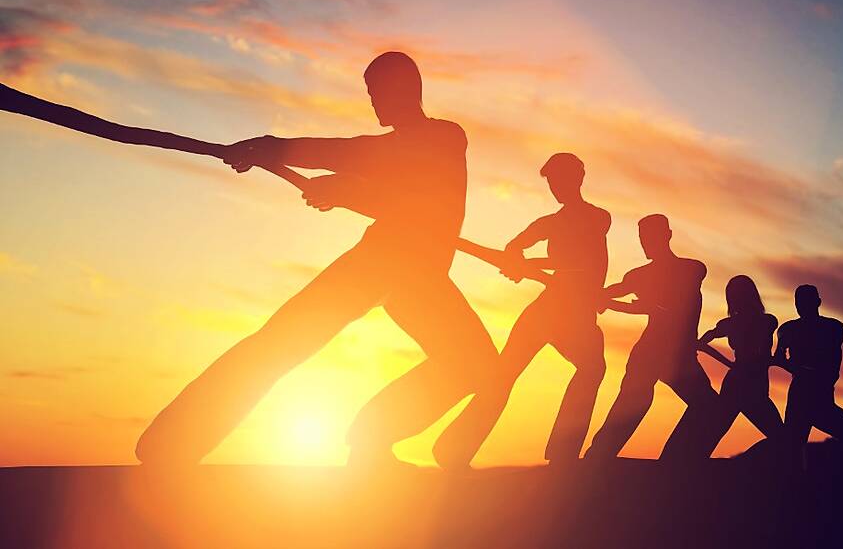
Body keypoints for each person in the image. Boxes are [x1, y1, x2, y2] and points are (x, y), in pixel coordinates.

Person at [134, 52, 498, 470]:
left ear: (406, 90)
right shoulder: (398, 147)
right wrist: (273, 150)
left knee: (475, 367)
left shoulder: (444, 137)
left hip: (417, 276)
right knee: (283, 341)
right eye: (370, 94)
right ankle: (170, 444)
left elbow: (395, 179)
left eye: (377, 92)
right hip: (384, 262)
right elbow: (356, 158)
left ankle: (372, 440)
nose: (374, 103)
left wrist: (333, 182)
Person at [434, 153, 610, 467]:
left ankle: (561, 451)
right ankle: (452, 450)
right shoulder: (548, 223)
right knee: (506, 374)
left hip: (575, 311)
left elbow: (582, 262)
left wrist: (531, 264)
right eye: (552, 183)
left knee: (591, 368)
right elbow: (514, 247)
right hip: (553, 307)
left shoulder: (598, 217)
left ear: (579, 179)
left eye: (561, 180)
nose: (556, 188)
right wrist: (515, 261)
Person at [585, 214, 720, 460]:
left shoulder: (692, 268)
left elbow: (675, 302)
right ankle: (597, 458)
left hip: (680, 356)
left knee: (709, 407)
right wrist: (598, 297)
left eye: (651, 238)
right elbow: (611, 293)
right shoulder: (638, 276)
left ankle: (674, 457)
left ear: (667, 235)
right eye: (642, 239)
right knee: (630, 406)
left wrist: (637, 303)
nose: (646, 244)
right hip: (650, 353)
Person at [697, 275, 784, 454]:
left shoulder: (756, 322)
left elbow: (702, 343)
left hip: (746, 383)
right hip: (745, 384)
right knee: (781, 437)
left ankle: (745, 463)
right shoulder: (765, 321)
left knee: (780, 437)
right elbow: (701, 344)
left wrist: (730, 363)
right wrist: (729, 363)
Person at [774, 284, 843, 448]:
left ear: (818, 302)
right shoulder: (788, 330)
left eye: (806, 302)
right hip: (801, 395)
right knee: (792, 447)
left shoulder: (833, 328)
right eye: (799, 302)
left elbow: (833, 363)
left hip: (821, 395)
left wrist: (813, 374)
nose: (802, 306)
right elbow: (779, 358)